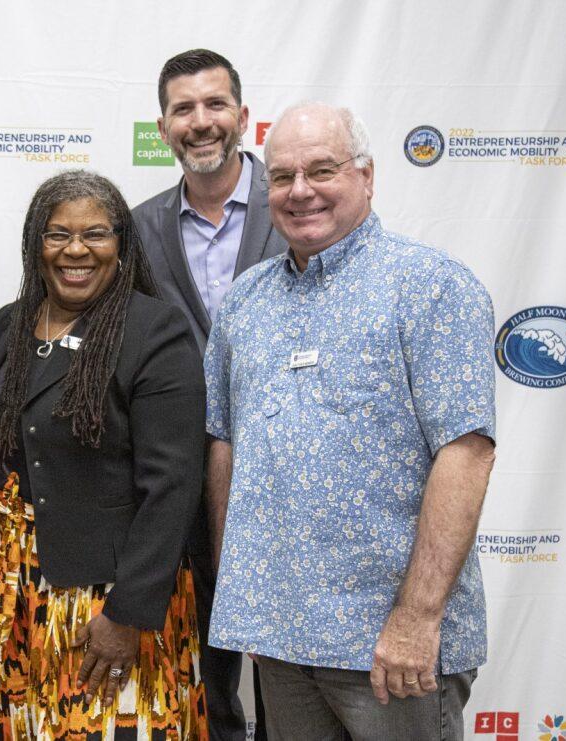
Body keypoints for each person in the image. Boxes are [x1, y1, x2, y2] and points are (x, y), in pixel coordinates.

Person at [204, 102, 496, 740]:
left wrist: (418, 618)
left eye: (322, 170)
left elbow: (467, 454)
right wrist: (247, 602)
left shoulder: (431, 288)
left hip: (390, 649)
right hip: (281, 639)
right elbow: (225, 450)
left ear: (367, 175)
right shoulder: (243, 306)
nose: (300, 190)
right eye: (281, 177)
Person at [0, 170, 208, 738]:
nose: (75, 250)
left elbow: (173, 487)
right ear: (34, 244)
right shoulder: (12, 323)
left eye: (95, 234)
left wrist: (128, 614)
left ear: (122, 243)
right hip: (6, 586)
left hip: (106, 597)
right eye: (56, 234)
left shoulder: (154, 331)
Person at [132, 48, 286, 741]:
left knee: (295, 672)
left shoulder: (300, 208)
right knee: (207, 664)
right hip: (187, 478)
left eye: (215, 104)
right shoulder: (135, 229)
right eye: (183, 109)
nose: (201, 122)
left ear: (244, 118)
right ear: (163, 128)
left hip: (294, 471)